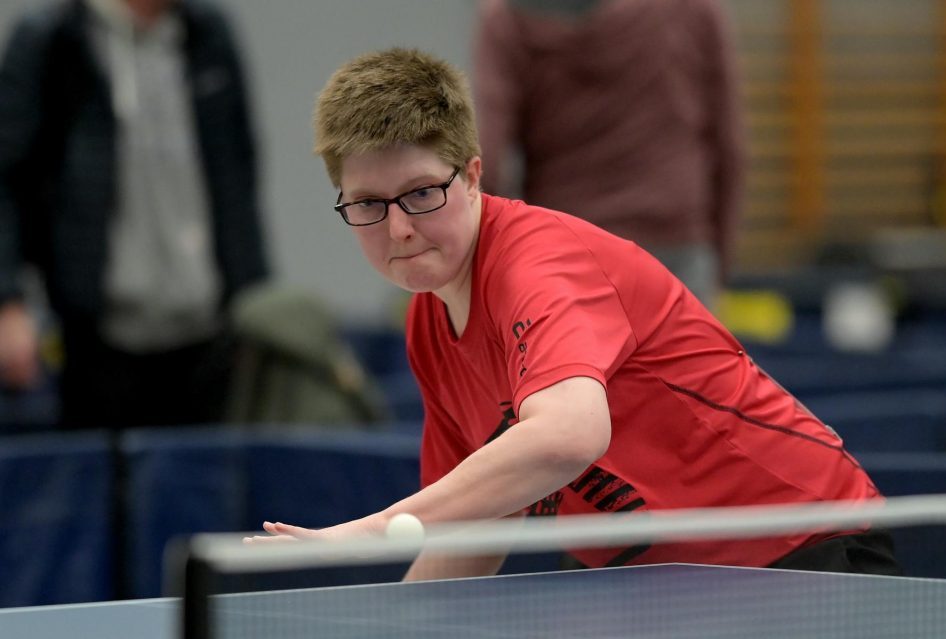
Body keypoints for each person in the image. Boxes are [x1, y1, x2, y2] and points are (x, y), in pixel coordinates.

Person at [250, 48, 899, 580]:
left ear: (473, 175)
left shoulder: (539, 266)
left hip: (802, 547)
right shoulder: (429, 321)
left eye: (421, 193)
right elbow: (480, 519)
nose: (397, 229)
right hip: (666, 582)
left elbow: (567, 435)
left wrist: (372, 529)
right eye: (367, 203)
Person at [0, 0, 269, 429]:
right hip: (92, 337)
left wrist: (255, 297)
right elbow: (5, 178)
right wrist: (7, 301)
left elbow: (237, 176)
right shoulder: (52, 39)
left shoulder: (209, 35)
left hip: (208, 333)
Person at [473, 0, 745, 309]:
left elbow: (487, 166)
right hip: (677, 255)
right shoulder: (693, 8)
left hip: (566, 257)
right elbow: (728, 148)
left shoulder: (508, 15)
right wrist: (716, 264)